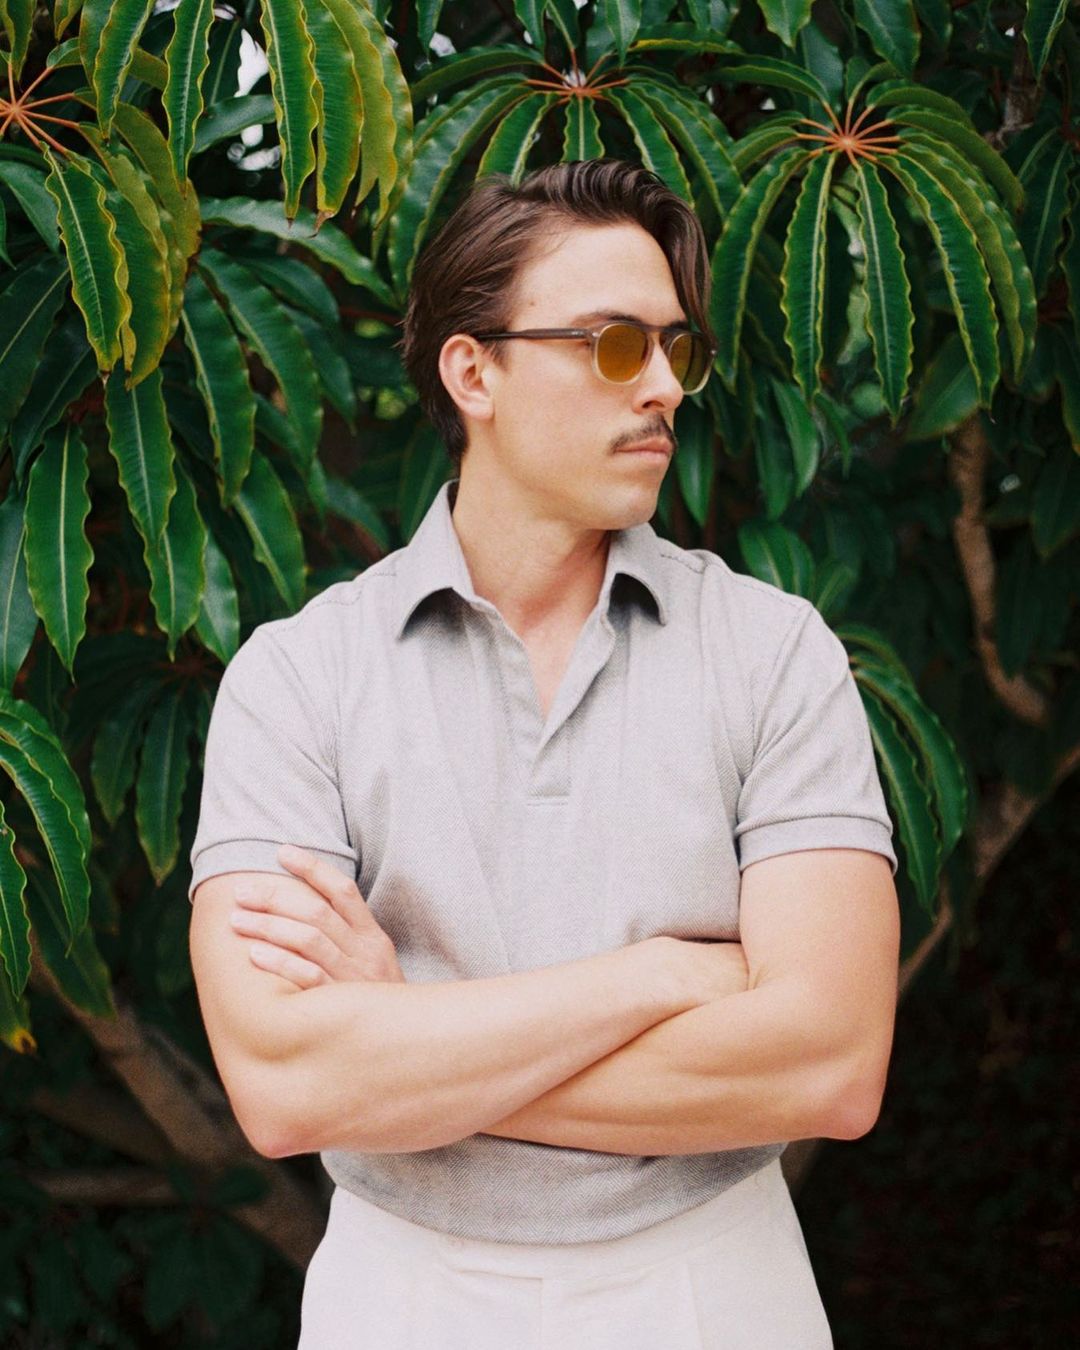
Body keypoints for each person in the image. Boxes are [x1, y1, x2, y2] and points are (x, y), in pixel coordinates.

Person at [188, 159, 901, 1349]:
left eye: (677, 348)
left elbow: (828, 1065)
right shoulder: (299, 677)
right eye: (615, 345)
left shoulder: (775, 653)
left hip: (712, 1282)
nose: (664, 385)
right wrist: (658, 978)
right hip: (405, 1294)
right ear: (473, 372)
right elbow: (286, 1088)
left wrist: (409, 1040)